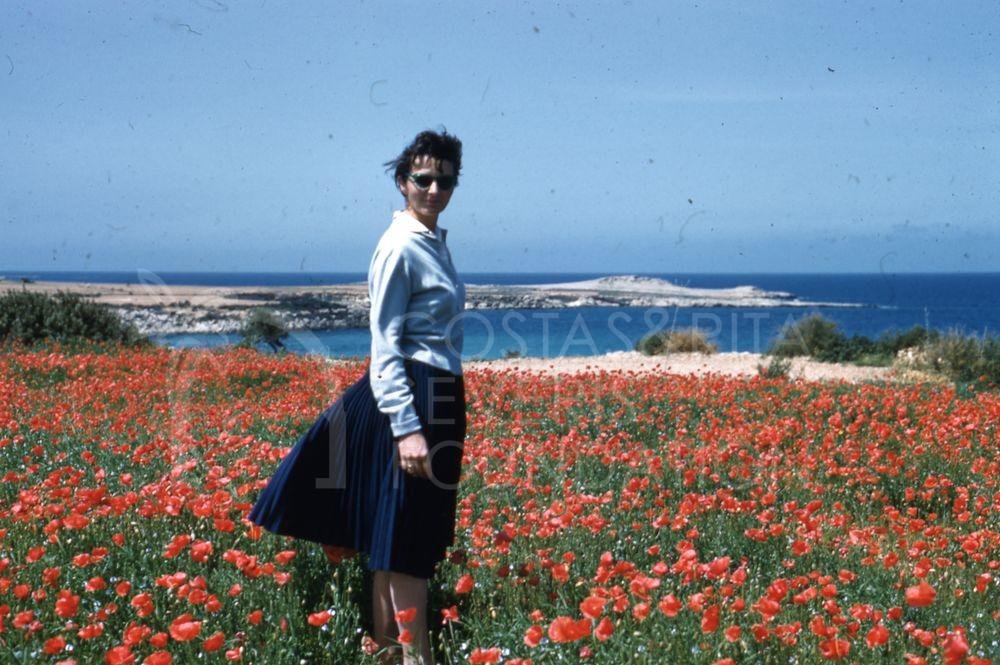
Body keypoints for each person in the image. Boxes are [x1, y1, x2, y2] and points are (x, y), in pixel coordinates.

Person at [247, 130, 466, 664]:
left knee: (394, 535)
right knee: (410, 541)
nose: (434, 189)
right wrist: (407, 426)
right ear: (402, 182)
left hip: (436, 391)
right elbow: (385, 344)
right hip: (415, 396)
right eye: (423, 179)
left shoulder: (431, 240)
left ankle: (390, 654)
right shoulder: (399, 246)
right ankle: (418, 661)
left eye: (444, 179)